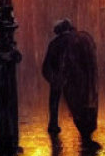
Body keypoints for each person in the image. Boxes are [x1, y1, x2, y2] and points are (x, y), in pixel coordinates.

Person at [41, 18, 100, 148]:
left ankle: (54, 124)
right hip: (73, 78)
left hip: (60, 76)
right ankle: (85, 133)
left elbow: (46, 66)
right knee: (78, 103)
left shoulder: (55, 43)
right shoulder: (79, 40)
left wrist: (55, 78)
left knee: (56, 100)